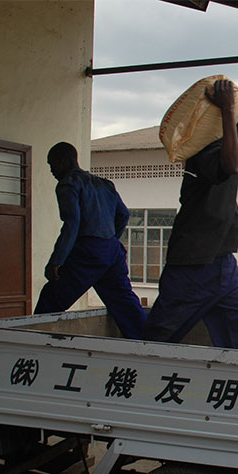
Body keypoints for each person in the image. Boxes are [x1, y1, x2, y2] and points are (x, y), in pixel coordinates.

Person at [142, 80, 238, 349]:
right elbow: (232, 164)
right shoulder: (208, 151)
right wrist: (227, 111)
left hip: (222, 261)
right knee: (160, 335)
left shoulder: (230, 149)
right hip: (193, 261)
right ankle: (135, 380)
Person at [35, 142, 146, 339]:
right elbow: (124, 214)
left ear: (62, 161)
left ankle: (33, 342)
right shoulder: (105, 184)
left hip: (88, 250)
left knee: (51, 299)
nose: (51, 171)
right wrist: (109, 239)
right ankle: (148, 343)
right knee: (124, 303)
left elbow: (72, 223)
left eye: (51, 165)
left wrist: (56, 261)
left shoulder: (68, 183)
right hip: (112, 251)